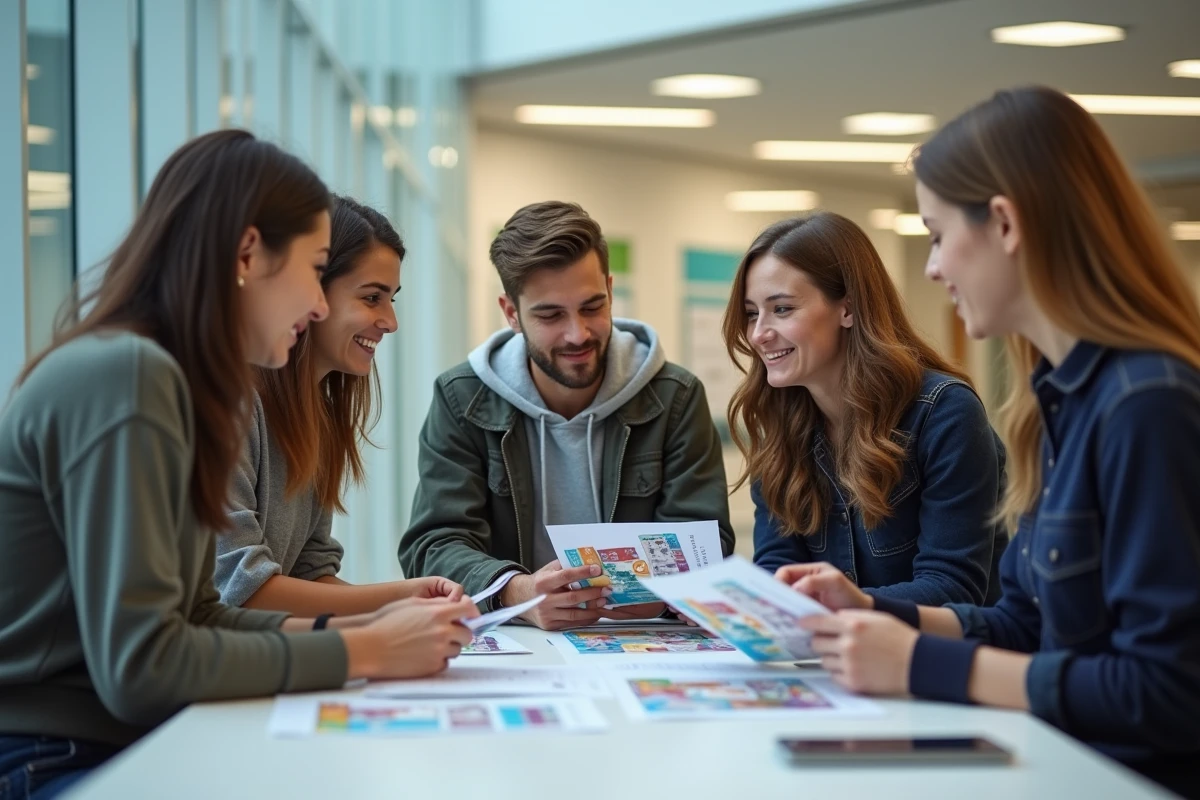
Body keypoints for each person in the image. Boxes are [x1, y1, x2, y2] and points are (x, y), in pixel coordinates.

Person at [0, 131, 475, 798]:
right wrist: (365, 648)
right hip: (48, 756)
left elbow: (199, 616)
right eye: (315, 269)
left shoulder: (172, 384)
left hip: (109, 741)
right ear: (249, 254)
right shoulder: (130, 376)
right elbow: (142, 667)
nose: (315, 305)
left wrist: (371, 629)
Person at [789, 87, 1200, 798]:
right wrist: (872, 611)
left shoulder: (1148, 403)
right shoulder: (1060, 401)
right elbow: (1025, 622)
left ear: (1004, 224)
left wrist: (920, 663)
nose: (933, 268)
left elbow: (1167, 690)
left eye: (939, 234)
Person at [399, 201, 734, 630]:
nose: (577, 333)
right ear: (511, 313)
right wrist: (517, 592)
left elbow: (708, 539)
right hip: (519, 639)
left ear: (611, 292)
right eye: (551, 315)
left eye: (592, 307)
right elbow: (432, 544)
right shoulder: (461, 398)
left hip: (639, 639)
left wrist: (661, 598)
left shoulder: (675, 397)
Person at [727, 212, 1006, 606]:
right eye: (753, 313)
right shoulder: (781, 422)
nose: (759, 334)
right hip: (828, 659)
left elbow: (954, 589)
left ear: (849, 308)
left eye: (783, 309)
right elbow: (778, 566)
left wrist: (843, 606)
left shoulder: (944, 413)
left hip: (933, 661)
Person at [215, 195, 462, 616]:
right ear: (312, 295)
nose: (390, 321)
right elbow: (241, 587)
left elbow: (308, 569)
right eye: (371, 298)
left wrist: (408, 610)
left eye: (392, 299)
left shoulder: (318, 414)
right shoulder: (231, 402)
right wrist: (401, 600)